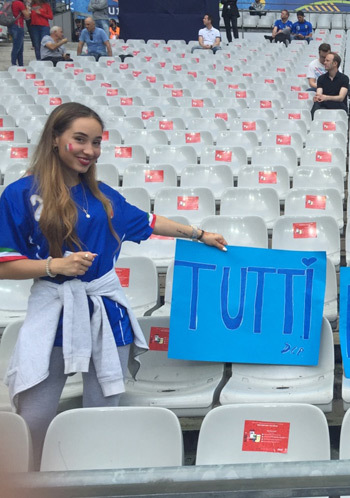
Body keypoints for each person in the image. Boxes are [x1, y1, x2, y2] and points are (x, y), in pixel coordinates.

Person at [0, 102, 228, 468]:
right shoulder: (20, 195)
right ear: (56, 139)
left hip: (105, 312)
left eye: (96, 142)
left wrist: (199, 234)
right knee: (35, 417)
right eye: (80, 139)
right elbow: (4, 265)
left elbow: (151, 221)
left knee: (102, 414)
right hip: (52, 312)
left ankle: (92, 478)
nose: (89, 150)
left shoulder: (104, 196)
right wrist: (54, 265)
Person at [311, 52, 349, 118]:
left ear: (335, 63)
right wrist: (317, 97)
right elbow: (319, 93)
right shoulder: (321, 78)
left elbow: (341, 98)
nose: (324, 62)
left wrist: (326, 97)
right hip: (325, 105)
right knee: (316, 106)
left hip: (338, 105)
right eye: (325, 60)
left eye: (327, 61)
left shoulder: (344, 78)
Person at [10, 0, 30, 67]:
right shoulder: (19, 3)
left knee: (19, 47)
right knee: (18, 47)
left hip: (13, 26)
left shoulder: (13, 3)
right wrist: (27, 6)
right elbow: (27, 16)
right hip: (18, 26)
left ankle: (19, 64)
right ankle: (14, 64)